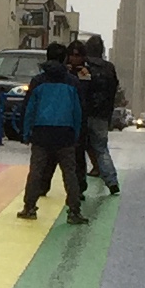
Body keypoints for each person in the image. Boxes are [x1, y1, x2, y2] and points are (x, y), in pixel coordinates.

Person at [16, 43, 88, 224]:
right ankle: (74, 211)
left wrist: (26, 133)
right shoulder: (72, 82)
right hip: (65, 134)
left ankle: (29, 207)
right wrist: (77, 134)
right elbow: (78, 112)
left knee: (36, 171)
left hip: (41, 132)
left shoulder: (38, 81)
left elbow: (29, 109)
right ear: (65, 59)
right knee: (69, 173)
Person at [76, 29, 122, 201]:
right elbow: (113, 89)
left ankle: (79, 186)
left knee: (79, 149)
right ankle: (112, 181)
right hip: (102, 114)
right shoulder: (109, 68)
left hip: (84, 112)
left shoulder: (84, 66)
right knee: (102, 148)